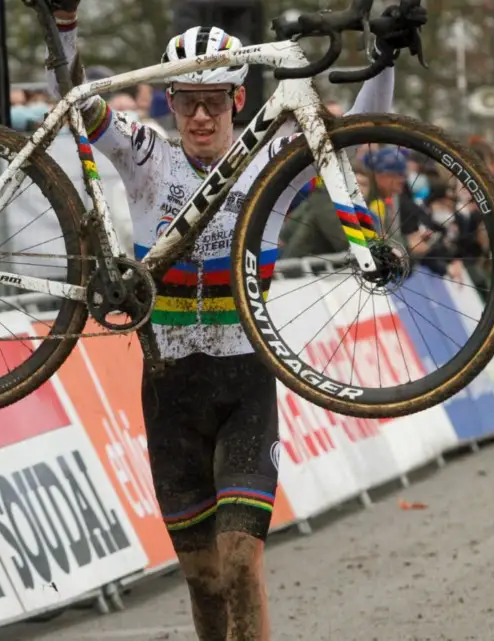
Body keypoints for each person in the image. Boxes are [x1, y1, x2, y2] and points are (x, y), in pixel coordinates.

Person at [44, 2, 426, 639]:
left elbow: (361, 130)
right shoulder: (147, 161)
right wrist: (64, 27)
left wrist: (382, 58)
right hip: (169, 390)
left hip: (245, 385)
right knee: (203, 579)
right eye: (187, 101)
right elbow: (82, 103)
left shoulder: (270, 161)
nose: (199, 116)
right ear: (169, 101)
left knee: (241, 563)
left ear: (239, 99)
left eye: (215, 101)